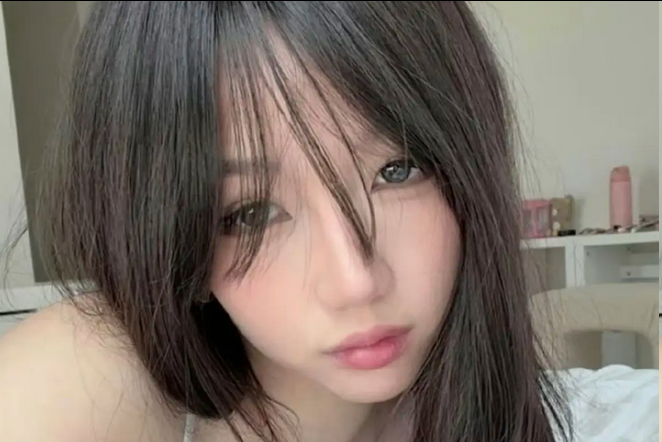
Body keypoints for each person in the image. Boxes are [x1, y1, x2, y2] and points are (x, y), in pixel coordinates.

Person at [0, 2, 573, 442]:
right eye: (250, 213)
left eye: (397, 171)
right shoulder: (82, 384)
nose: (355, 282)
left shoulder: (479, 398)